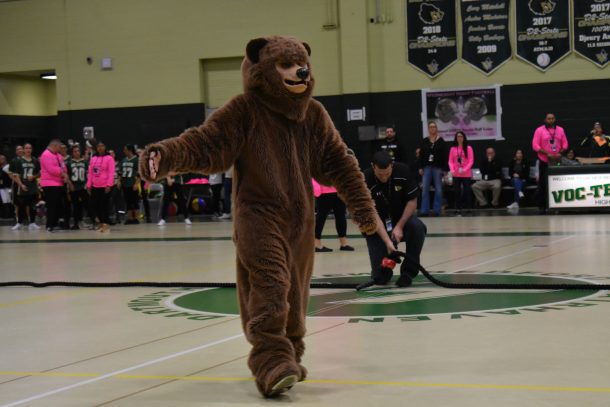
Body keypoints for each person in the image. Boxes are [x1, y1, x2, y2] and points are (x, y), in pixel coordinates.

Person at [363, 151, 427, 287]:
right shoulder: (365, 179)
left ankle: (408, 273)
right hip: (377, 226)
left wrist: (399, 226)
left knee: (417, 227)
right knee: (380, 278)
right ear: (373, 167)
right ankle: (385, 270)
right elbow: (372, 214)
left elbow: (412, 201)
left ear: (392, 165)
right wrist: (387, 241)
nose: (384, 178)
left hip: (401, 220)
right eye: (380, 175)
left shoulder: (403, 170)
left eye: (387, 174)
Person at [532, 113, 569, 213]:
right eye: (549, 119)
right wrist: (547, 153)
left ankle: (558, 206)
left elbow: (565, 144)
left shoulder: (560, 129)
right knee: (543, 184)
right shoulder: (539, 130)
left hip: (557, 161)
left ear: (555, 119)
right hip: (544, 161)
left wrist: (560, 153)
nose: (551, 120)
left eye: (552, 118)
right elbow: (535, 145)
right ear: (545, 120)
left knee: (558, 183)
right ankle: (542, 206)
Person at [312, 179, 354, 252]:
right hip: (323, 192)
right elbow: (313, 174)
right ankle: (316, 244)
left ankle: (343, 244)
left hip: (339, 190)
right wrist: (317, 189)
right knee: (321, 217)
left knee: (341, 216)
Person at [9, 143, 41, 230]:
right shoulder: (19, 161)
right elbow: (16, 175)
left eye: (30, 148)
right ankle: (19, 223)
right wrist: (21, 185)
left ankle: (32, 222)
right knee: (21, 205)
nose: (28, 150)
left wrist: (34, 177)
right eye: (26, 148)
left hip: (32, 185)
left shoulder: (35, 160)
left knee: (33, 205)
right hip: (22, 184)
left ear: (32, 149)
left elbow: (39, 173)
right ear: (23, 149)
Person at [418, 120, 447, 216]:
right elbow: (421, 155)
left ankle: (436, 210)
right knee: (425, 189)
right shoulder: (424, 141)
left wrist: (444, 169)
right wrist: (420, 167)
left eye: (434, 127)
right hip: (426, 167)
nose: (432, 128)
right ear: (428, 129)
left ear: (436, 129)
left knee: (438, 189)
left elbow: (444, 156)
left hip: (437, 168)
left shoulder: (441, 141)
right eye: (430, 127)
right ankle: (424, 210)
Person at [40, 139, 69, 232]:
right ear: (54, 146)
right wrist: (63, 174)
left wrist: (65, 174)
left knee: (58, 205)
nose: (60, 149)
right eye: (59, 147)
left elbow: (63, 166)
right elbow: (51, 169)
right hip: (50, 184)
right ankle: (49, 225)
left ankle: (56, 223)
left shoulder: (58, 155)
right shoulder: (46, 155)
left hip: (59, 183)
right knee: (52, 205)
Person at [87, 141, 115, 232]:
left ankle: (105, 224)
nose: (100, 148)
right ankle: (99, 223)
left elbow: (111, 173)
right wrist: (89, 185)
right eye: (98, 146)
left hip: (105, 186)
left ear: (105, 147)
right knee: (95, 206)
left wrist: (109, 185)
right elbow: (90, 173)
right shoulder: (93, 158)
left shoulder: (109, 158)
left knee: (104, 206)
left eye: (102, 146)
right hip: (95, 186)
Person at [448, 131, 474, 215]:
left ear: (464, 137)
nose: (459, 138)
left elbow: (471, 161)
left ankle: (468, 208)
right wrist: (452, 170)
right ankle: (457, 208)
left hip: (466, 174)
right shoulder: (453, 149)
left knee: (467, 191)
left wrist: (464, 169)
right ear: (456, 138)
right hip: (456, 174)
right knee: (457, 192)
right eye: (458, 136)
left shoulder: (469, 148)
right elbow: (450, 161)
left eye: (461, 136)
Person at [66, 144, 88, 229]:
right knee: (75, 206)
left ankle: (93, 221)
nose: (77, 153)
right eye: (75, 151)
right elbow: (67, 175)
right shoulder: (69, 163)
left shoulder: (84, 162)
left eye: (78, 151)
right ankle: (75, 223)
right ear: (72, 153)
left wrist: (87, 184)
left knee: (87, 204)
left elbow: (88, 174)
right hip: (74, 186)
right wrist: (70, 184)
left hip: (83, 186)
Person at [119, 144, 141, 224]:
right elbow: (120, 172)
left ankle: (136, 218)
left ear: (130, 150)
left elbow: (139, 174)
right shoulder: (124, 160)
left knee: (134, 201)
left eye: (125, 149)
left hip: (132, 183)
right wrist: (119, 181)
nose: (124, 151)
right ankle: (130, 218)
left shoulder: (136, 160)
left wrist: (136, 183)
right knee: (128, 201)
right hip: (125, 183)